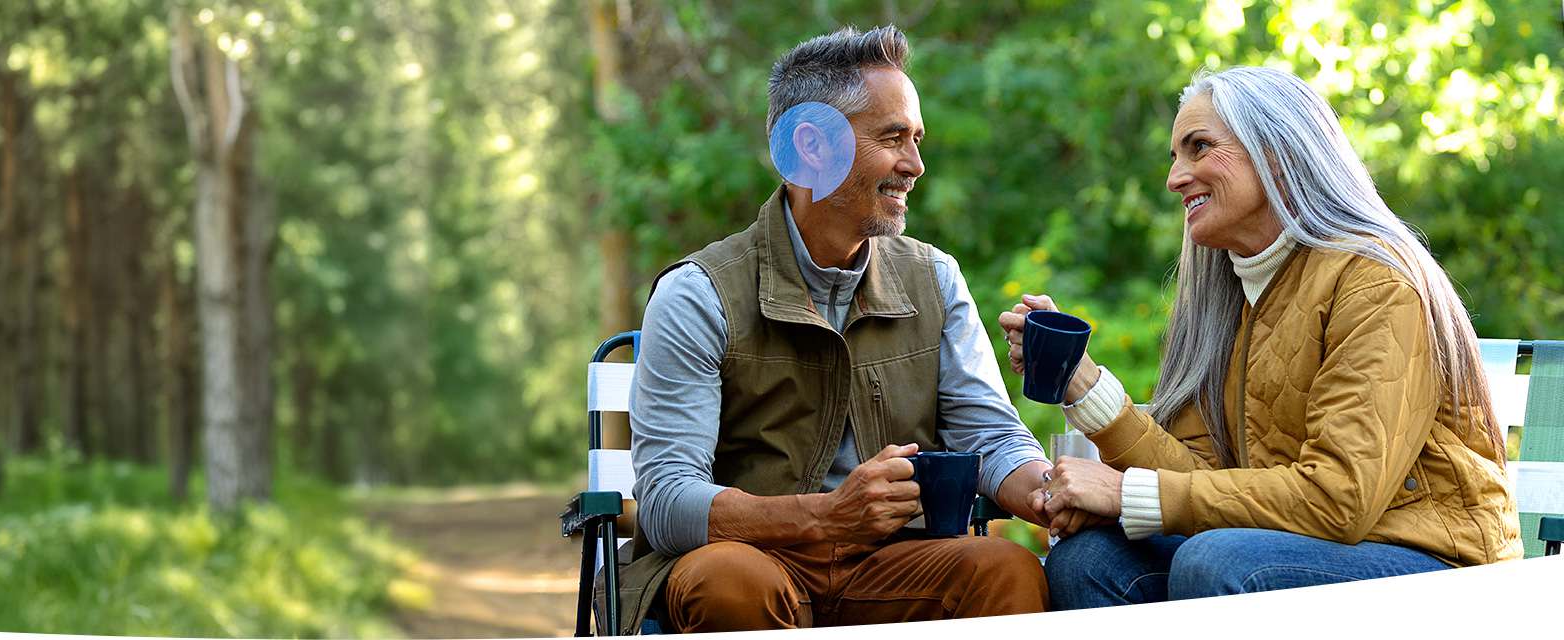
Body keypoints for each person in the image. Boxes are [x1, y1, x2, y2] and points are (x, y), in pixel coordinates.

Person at [997, 66, 1521, 610]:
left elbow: (1339, 498)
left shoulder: (1376, 281)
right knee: (1090, 561)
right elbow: (1204, 480)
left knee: (1217, 562)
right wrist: (1084, 385)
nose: (1176, 177)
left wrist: (1126, 494)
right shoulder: (1230, 299)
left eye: (1199, 147)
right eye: (1175, 156)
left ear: (1277, 151)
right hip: (1297, 543)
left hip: (1438, 564)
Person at [613, 26, 1052, 634]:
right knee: (729, 583)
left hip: (894, 568)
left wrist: (1048, 495)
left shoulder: (936, 279)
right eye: (893, 138)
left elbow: (991, 437)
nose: (916, 165)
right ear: (812, 146)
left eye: (916, 139)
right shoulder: (698, 293)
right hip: (756, 563)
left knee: (1007, 569)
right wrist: (824, 517)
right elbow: (664, 502)